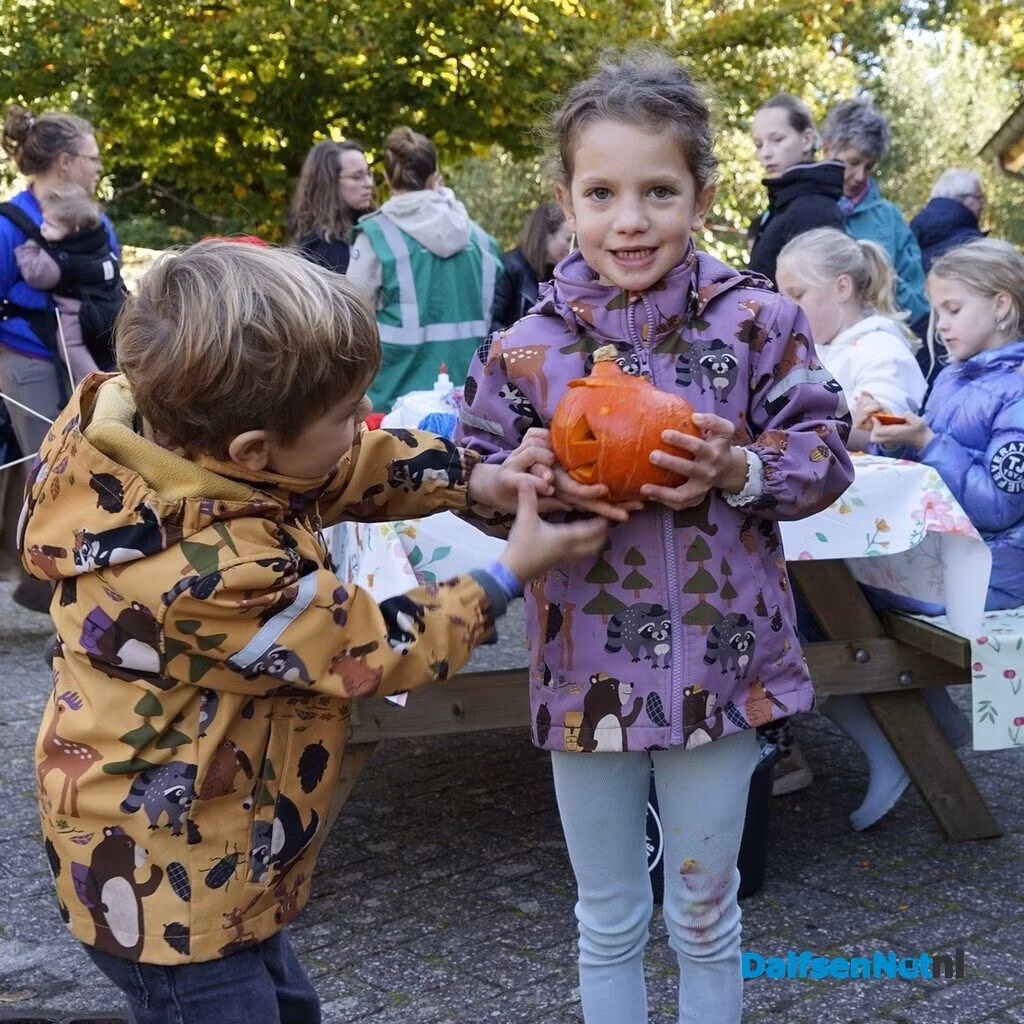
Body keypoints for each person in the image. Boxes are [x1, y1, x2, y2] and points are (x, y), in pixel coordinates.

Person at [21, 240, 611, 1024]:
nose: (356, 425)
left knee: (286, 1004)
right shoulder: (203, 572)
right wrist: (510, 572)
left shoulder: (172, 445)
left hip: (222, 856)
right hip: (168, 880)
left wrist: (474, 478)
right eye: (344, 414)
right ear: (252, 451)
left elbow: (337, 465)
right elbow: (372, 646)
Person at [455, 50, 853, 1024]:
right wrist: (509, 480)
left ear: (702, 195)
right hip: (584, 662)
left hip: (722, 667)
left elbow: (824, 449)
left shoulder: (760, 321)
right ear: (565, 198)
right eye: (601, 192)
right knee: (606, 912)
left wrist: (740, 469)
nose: (629, 219)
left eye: (657, 191)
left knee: (708, 911)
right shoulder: (528, 342)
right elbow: (469, 465)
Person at [841, 239, 1024, 830]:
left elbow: (998, 505)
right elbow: (937, 468)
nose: (937, 324)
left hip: (992, 571)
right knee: (813, 596)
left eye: (951, 308)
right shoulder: (955, 375)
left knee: (825, 612)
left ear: (1001, 306)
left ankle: (904, 741)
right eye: (937, 310)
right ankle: (920, 727)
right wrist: (885, 433)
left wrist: (924, 443)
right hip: (947, 554)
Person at [1, 103, 118, 614]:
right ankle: (52, 585)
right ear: (66, 161)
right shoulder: (9, 223)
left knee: (68, 466)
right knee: (47, 469)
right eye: (92, 158)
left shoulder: (97, 221)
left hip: (84, 354)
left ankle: (41, 579)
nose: (97, 168)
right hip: (24, 355)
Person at [347, 126, 502, 413]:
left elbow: (349, 322)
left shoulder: (376, 236)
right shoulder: (482, 242)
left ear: (386, 178)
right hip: (468, 403)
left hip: (394, 406)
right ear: (433, 178)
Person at [776, 228, 927, 451]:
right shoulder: (811, 348)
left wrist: (873, 410)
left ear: (842, 288)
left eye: (797, 295)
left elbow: (884, 431)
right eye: (783, 298)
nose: (787, 308)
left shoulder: (881, 348)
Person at [820, 97, 930, 345]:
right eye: (853, 162)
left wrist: (885, 280)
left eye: (869, 167)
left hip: (875, 349)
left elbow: (920, 304)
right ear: (827, 150)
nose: (860, 176)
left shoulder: (889, 218)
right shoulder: (804, 208)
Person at [14, 183, 126, 384]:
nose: (42, 228)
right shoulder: (99, 241)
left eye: (50, 225)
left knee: (69, 344)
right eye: (44, 221)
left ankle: (92, 381)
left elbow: (35, 275)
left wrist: (29, 248)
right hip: (111, 307)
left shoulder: (57, 259)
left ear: (73, 229)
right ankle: (117, 371)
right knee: (113, 345)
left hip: (77, 313)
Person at [747, 93, 845, 285]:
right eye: (759, 144)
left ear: (807, 139)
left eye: (777, 139)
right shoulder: (781, 206)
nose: (765, 153)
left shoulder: (814, 211)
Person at [287, 139, 376, 274]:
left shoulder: (370, 225)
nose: (369, 183)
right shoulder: (323, 249)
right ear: (329, 183)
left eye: (368, 174)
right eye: (357, 176)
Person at [491, 201, 573, 332]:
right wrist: (518, 341)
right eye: (568, 239)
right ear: (546, 235)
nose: (570, 248)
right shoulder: (509, 268)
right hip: (509, 350)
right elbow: (490, 322)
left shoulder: (555, 274)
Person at [909, 167, 986, 274]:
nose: (982, 205)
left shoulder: (913, 231)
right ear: (962, 197)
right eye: (979, 197)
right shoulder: (974, 244)